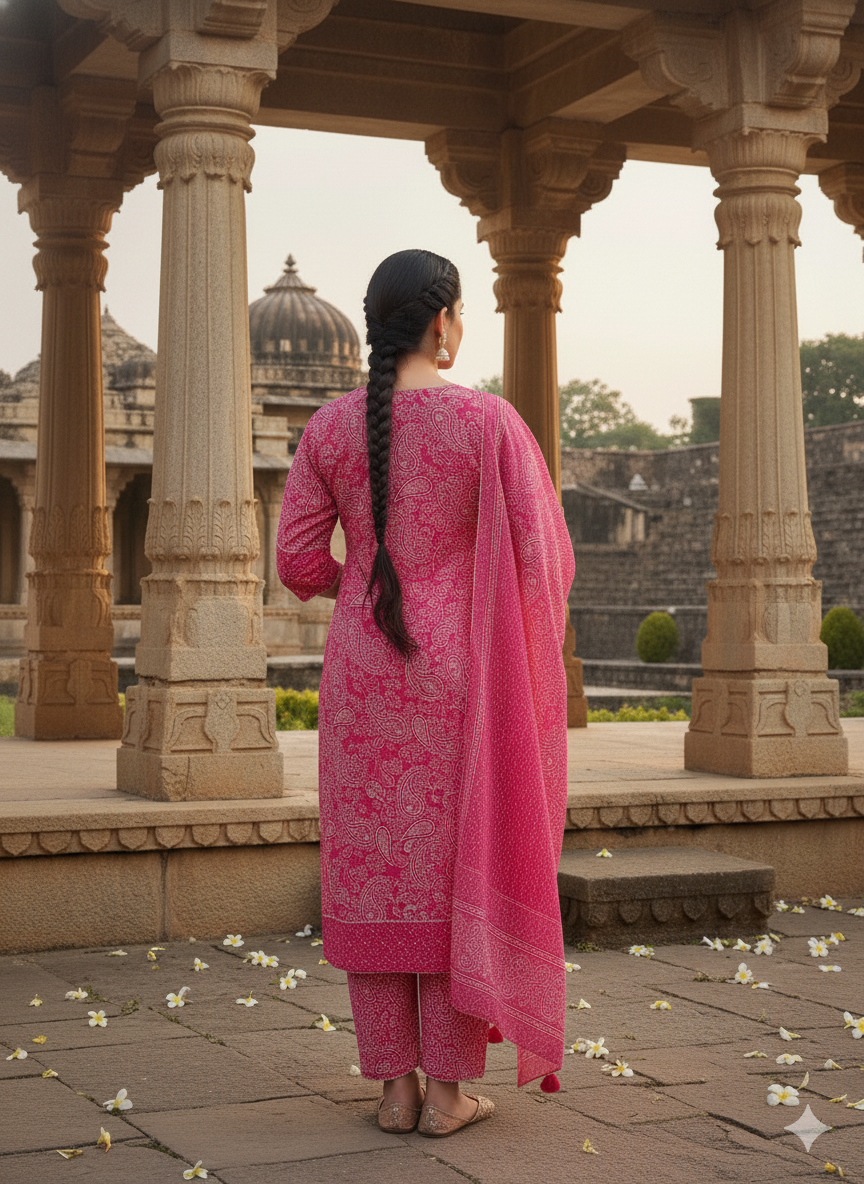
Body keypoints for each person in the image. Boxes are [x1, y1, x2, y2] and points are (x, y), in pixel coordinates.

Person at [276, 248, 575, 1138]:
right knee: (454, 871)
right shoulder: (487, 424)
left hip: (364, 672)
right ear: (442, 320)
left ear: (376, 324)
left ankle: (394, 1088)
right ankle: (450, 1092)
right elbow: (545, 559)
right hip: (460, 681)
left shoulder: (330, 429)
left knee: (375, 871)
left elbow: (295, 561)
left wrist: (363, 582)